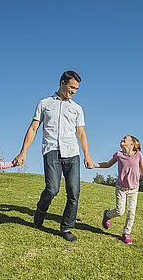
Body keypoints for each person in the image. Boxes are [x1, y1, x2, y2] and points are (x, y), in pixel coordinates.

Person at [13, 70, 95, 242]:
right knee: (52, 189)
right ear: (62, 83)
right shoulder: (44, 103)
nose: (73, 91)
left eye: (76, 89)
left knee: (74, 192)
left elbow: (81, 133)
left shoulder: (77, 108)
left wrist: (87, 155)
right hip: (51, 151)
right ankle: (41, 209)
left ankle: (66, 228)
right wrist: (23, 152)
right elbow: (33, 128)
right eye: (71, 87)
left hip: (72, 153)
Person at [91, 135, 143, 244]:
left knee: (131, 212)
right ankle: (107, 215)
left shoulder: (139, 155)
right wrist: (95, 165)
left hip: (133, 189)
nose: (122, 139)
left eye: (125, 138)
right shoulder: (118, 155)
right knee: (120, 211)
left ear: (132, 143)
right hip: (121, 188)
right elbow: (108, 164)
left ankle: (126, 233)